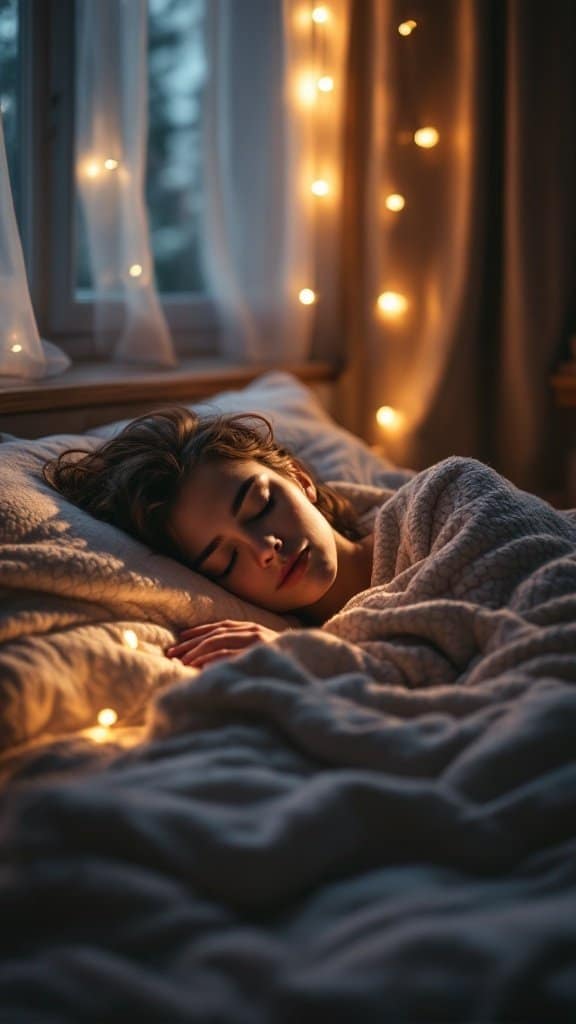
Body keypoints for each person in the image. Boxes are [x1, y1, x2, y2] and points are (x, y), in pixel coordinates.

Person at [43, 407, 374, 670]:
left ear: (299, 477)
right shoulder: (288, 648)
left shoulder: (424, 515)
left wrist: (311, 657)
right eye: (226, 560)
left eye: (260, 506)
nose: (264, 550)